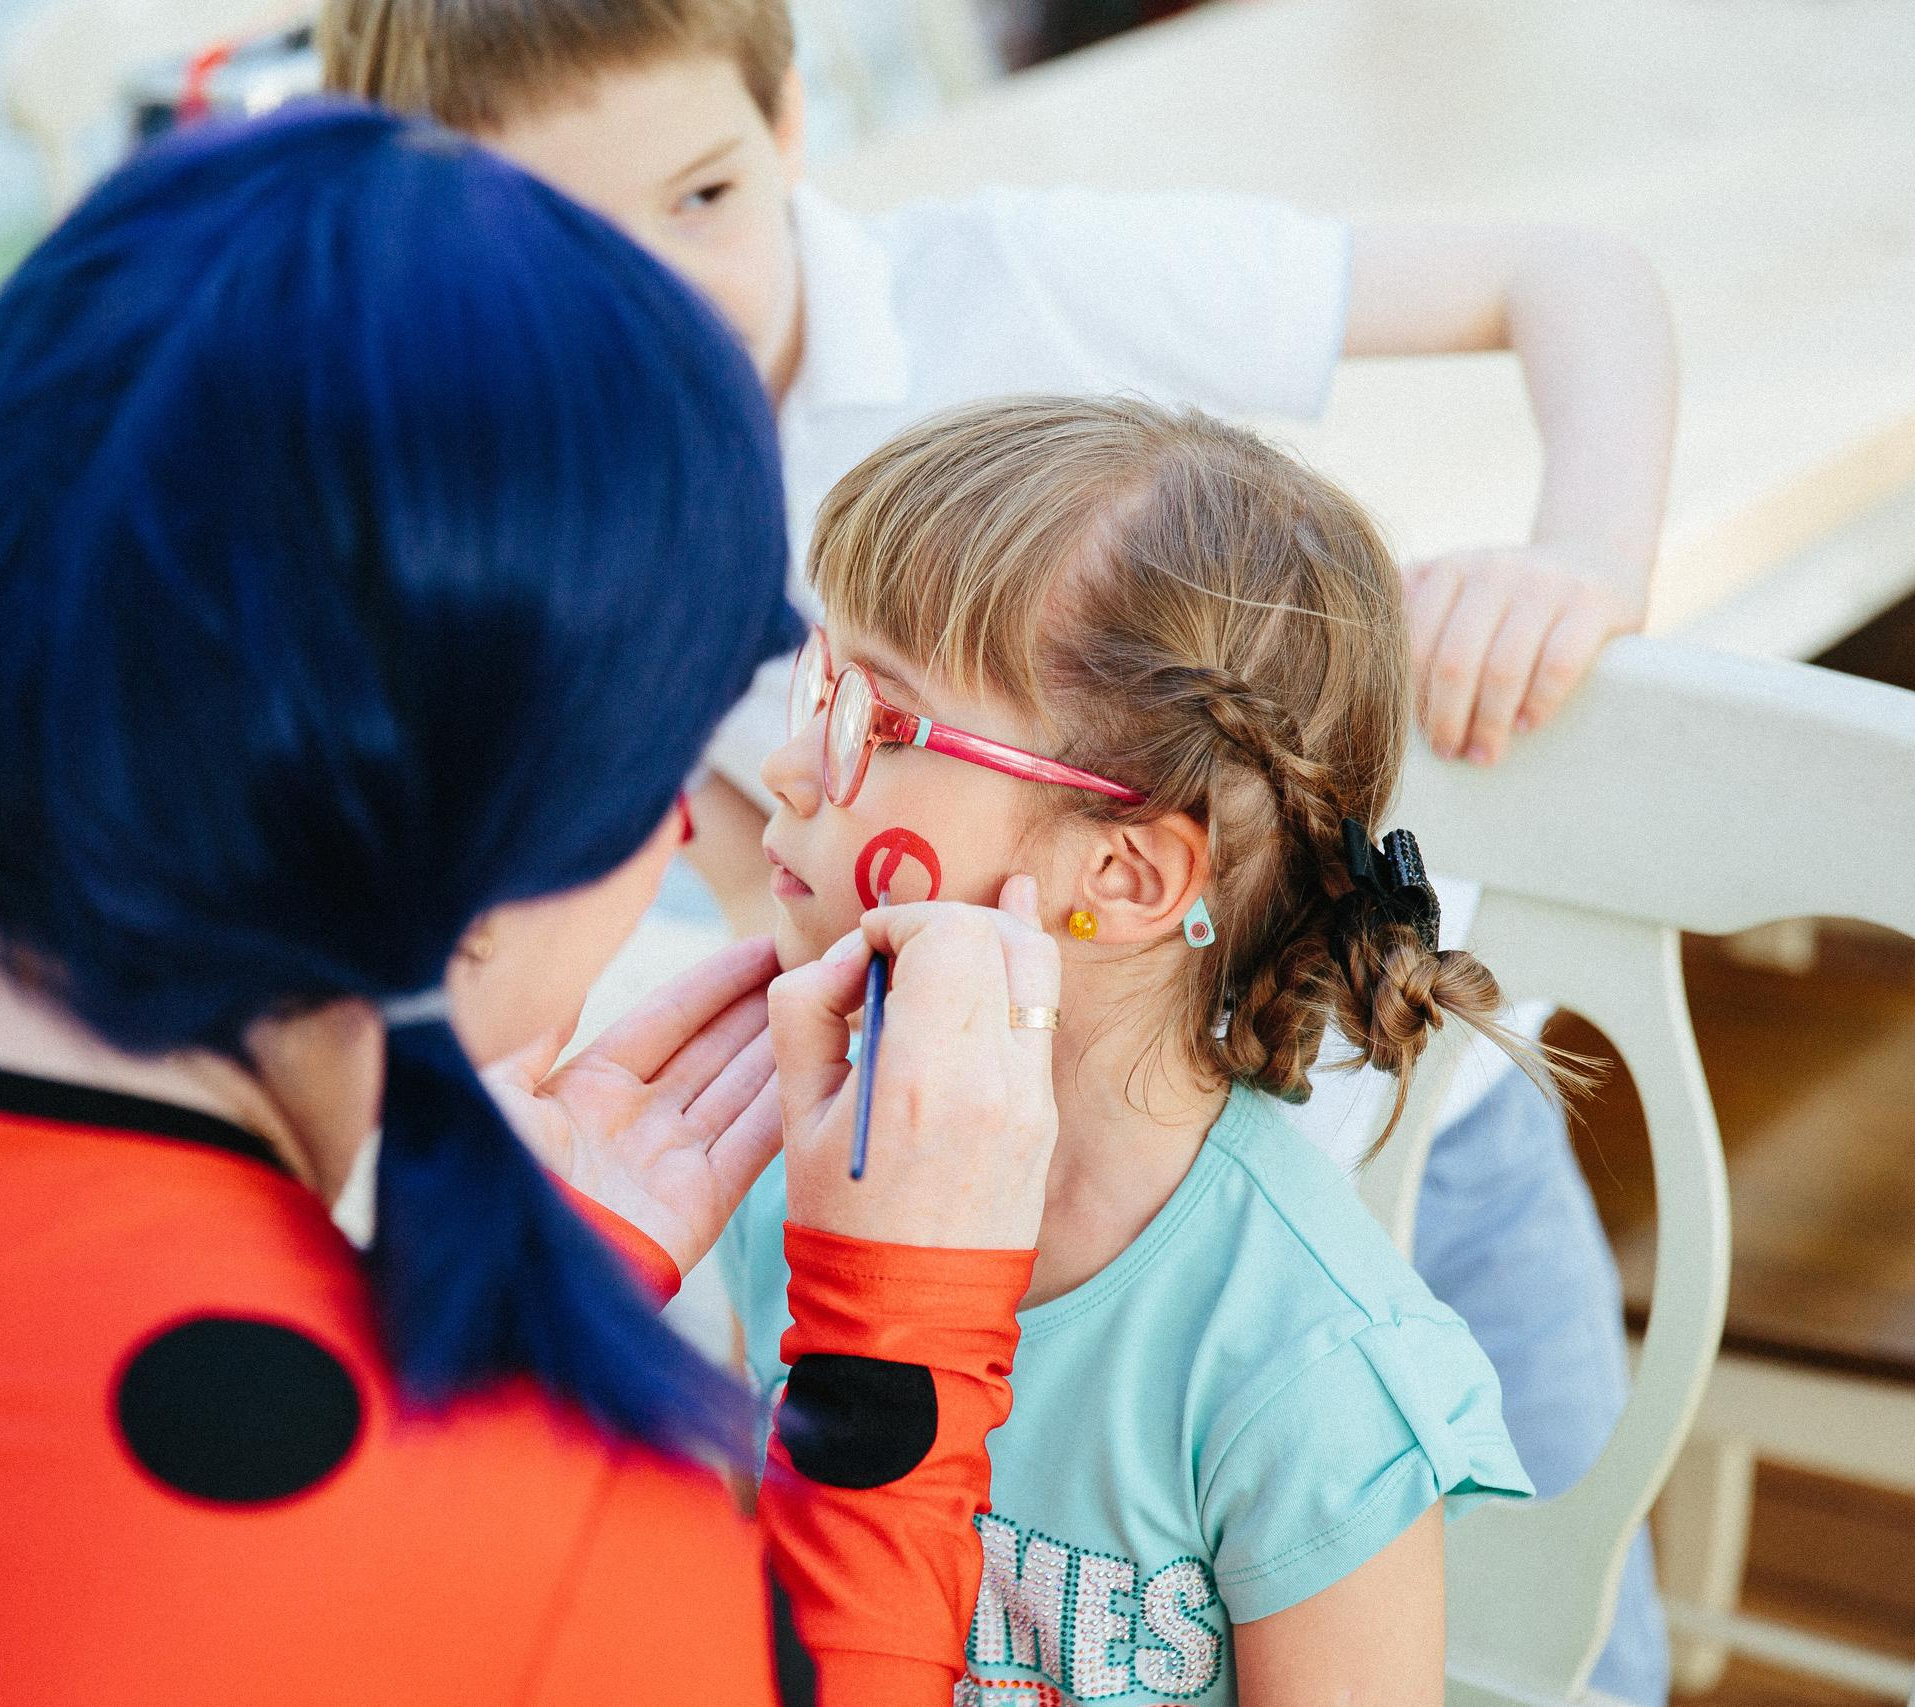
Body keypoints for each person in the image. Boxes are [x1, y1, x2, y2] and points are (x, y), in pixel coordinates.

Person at [0, 103, 1065, 1706]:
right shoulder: (561, 1569)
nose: (711, 812)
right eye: (667, 761)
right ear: (491, 868)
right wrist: (891, 1373)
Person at [321, 4, 1676, 1696]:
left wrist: (1583, 561)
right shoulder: (796, 1196)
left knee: (1572, 1665)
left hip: (1385, 1142)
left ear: (790, 120)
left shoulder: (1022, 281)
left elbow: (1572, 274)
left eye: (702, 198)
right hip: (984, 1130)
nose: (656, 301)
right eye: (561, 251)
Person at [729, 393, 1541, 1704]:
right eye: (816, 683)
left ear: (1120, 869)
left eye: (875, 724)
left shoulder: (1306, 1371)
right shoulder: (800, 1166)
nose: (782, 764)